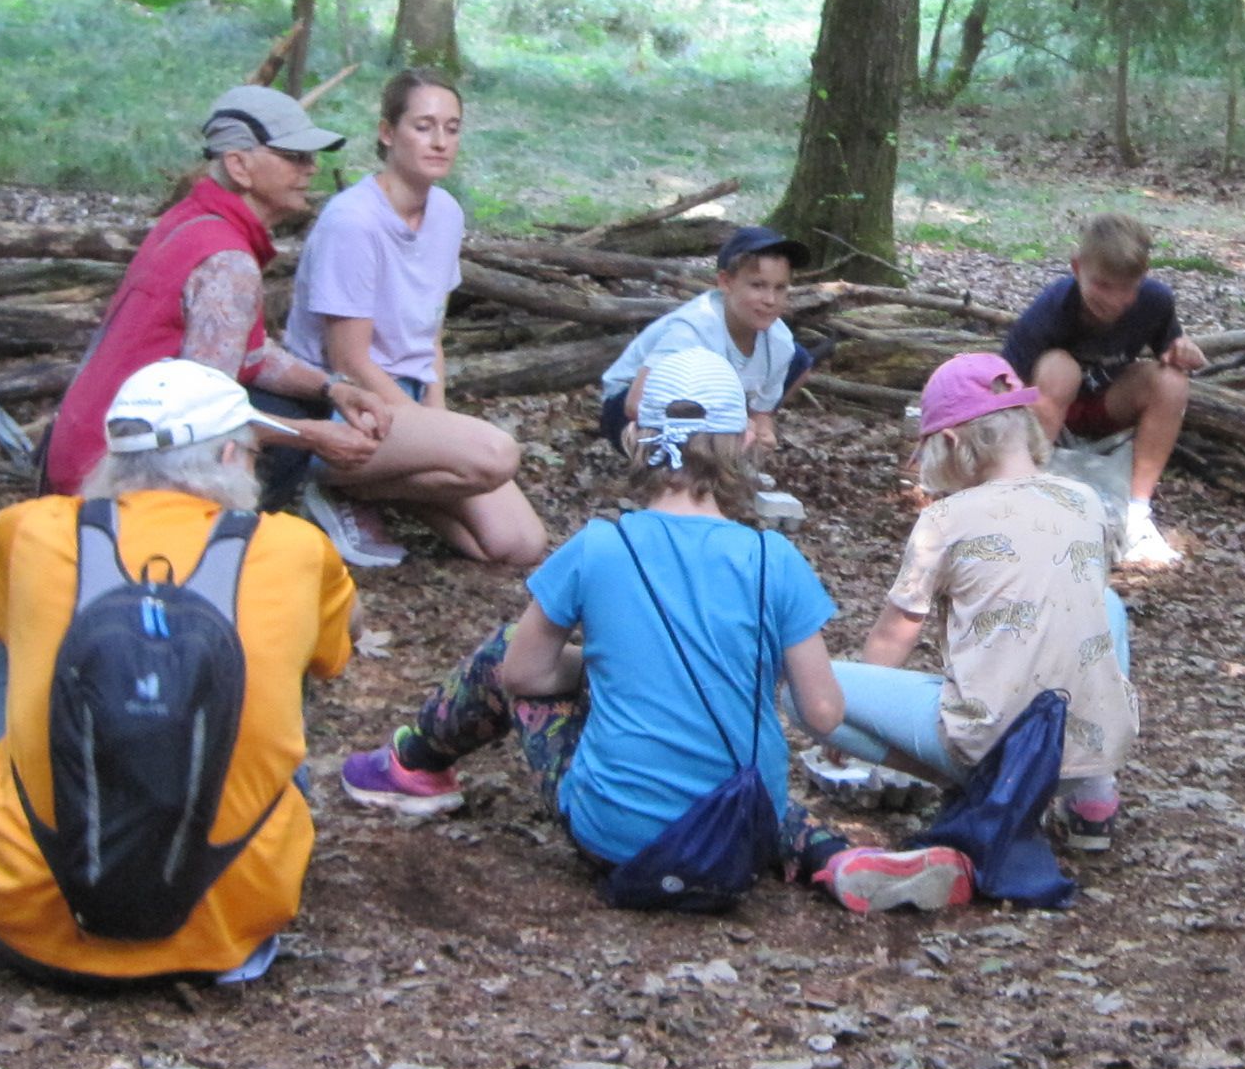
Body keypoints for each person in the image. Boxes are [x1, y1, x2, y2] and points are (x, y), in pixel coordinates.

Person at [339, 348, 970, 914]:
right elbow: (825, 712)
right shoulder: (772, 559)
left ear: (635, 439)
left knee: (508, 646)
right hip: (737, 835)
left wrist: (607, 661)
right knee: (734, 779)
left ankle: (413, 765)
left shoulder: (599, 547)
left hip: (618, 840)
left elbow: (523, 676)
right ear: (746, 441)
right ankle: (832, 855)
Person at [0, 360, 357, 986]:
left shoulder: (33, 530)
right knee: (283, 659)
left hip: (25, 927)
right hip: (228, 936)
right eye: (253, 452)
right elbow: (336, 654)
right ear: (230, 454)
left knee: (8, 643)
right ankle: (231, 862)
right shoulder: (297, 549)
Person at [808, 352, 1140, 849]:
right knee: (1106, 602)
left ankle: (986, 787)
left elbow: (894, 633)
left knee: (806, 693)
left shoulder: (947, 519)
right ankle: (1091, 795)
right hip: (1087, 741)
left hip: (991, 743)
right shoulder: (1086, 501)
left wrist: (838, 711)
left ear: (950, 442)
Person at [43, 85, 397, 501]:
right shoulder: (227, 260)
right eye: (294, 157)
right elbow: (210, 415)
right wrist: (313, 437)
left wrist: (333, 387)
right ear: (239, 166)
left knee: (299, 407)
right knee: (286, 428)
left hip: (86, 450)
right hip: (110, 476)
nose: (311, 169)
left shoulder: (190, 220)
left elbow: (247, 351)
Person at [284, 69, 546, 569]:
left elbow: (431, 334)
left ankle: (379, 492)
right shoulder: (353, 221)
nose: (440, 141)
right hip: (345, 406)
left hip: (408, 396)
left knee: (518, 544)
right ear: (388, 132)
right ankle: (324, 482)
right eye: (424, 126)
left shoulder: (445, 213)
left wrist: (437, 413)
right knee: (495, 454)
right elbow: (349, 359)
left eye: (452, 127)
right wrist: (435, 432)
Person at [1001, 213, 1207, 568]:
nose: (1114, 300)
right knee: (1059, 369)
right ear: (1077, 267)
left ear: (1142, 279)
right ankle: (1026, 492)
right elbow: (1005, 382)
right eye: (1103, 285)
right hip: (1049, 416)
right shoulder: (1053, 308)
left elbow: (1171, 351)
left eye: (1127, 288)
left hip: (1106, 407)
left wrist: (1186, 352)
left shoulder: (1155, 302)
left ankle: (1136, 513)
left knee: (1172, 381)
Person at [598, 225, 816, 453]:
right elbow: (637, 404)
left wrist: (762, 430)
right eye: (757, 285)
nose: (770, 300)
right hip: (627, 408)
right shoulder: (694, 328)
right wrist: (729, 424)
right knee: (703, 435)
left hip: (713, 397)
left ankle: (723, 457)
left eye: (780, 288)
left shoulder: (778, 341)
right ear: (725, 282)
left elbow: (762, 413)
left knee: (798, 357)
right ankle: (676, 474)